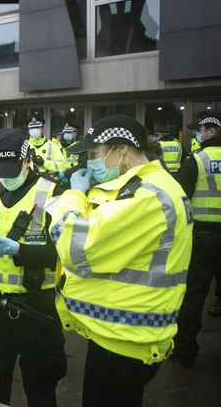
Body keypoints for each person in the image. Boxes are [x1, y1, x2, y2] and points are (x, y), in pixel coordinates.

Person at [46, 115, 192, 406]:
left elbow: (76, 247)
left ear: (121, 150)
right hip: (124, 335)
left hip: (126, 343)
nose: (89, 163)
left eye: (93, 154)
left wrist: (74, 195)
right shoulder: (147, 186)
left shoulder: (148, 196)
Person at [0, 129, 67, 406]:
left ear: (28, 160)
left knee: (41, 386)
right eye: (1, 170)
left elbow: (65, 251)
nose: (6, 177)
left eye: (12, 169)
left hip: (38, 305)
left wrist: (18, 250)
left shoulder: (54, 191)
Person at [172, 111, 221, 368]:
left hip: (203, 238)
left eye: (200, 130)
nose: (197, 134)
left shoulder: (198, 160)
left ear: (211, 131)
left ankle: (184, 350)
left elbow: (179, 199)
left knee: (194, 295)